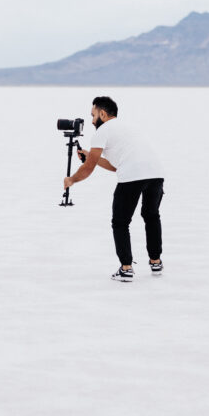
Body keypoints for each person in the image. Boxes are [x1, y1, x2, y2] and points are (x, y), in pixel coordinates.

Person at [63, 96, 165, 282]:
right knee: (151, 216)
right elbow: (116, 165)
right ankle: (156, 261)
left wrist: (72, 180)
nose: (92, 120)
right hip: (156, 173)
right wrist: (89, 155)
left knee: (120, 222)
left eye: (93, 115)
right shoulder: (129, 127)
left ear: (102, 113)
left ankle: (126, 268)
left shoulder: (102, 131)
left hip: (133, 175)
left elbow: (88, 169)